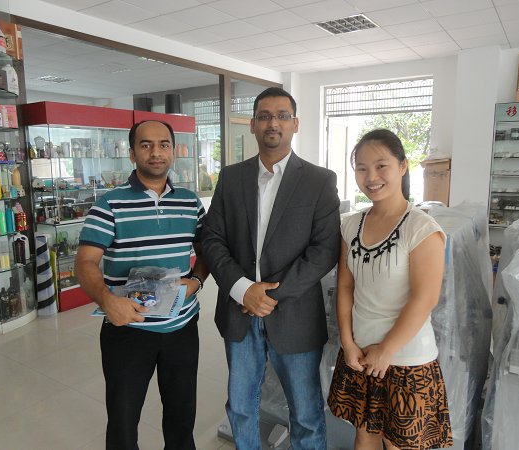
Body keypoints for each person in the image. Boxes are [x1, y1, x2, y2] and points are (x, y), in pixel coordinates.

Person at [202, 87, 340, 450]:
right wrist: (242, 289)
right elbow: (212, 238)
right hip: (239, 313)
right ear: (252, 125)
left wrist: (269, 296)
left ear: (295, 124)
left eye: (281, 116)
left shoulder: (319, 180)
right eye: (264, 116)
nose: (272, 123)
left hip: (295, 314)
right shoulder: (231, 178)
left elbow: (324, 251)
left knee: (306, 413)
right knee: (241, 408)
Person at [75, 120, 209, 450]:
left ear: (173, 151)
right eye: (146, 145)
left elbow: (207, 252)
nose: (156, 152)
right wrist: (108, 301)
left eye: (164, 144)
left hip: (181, 326)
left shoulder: (190, 202)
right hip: (128, 328)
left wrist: (196, 280)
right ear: (133, 153)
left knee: (181, 418)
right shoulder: (109, 204)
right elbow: (85, 263)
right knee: (123, 421)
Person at [327, 129, 453, 450]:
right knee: (364, 435)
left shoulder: (421, 228)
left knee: (400, 445)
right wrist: (347, 343)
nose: (371, 177)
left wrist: (386, 350)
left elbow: (425, 298)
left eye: (381, 166)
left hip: (406, 358)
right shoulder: (350, 225)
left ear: (402, 166)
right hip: (360, 354)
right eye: (361, 168)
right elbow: (345, 285)